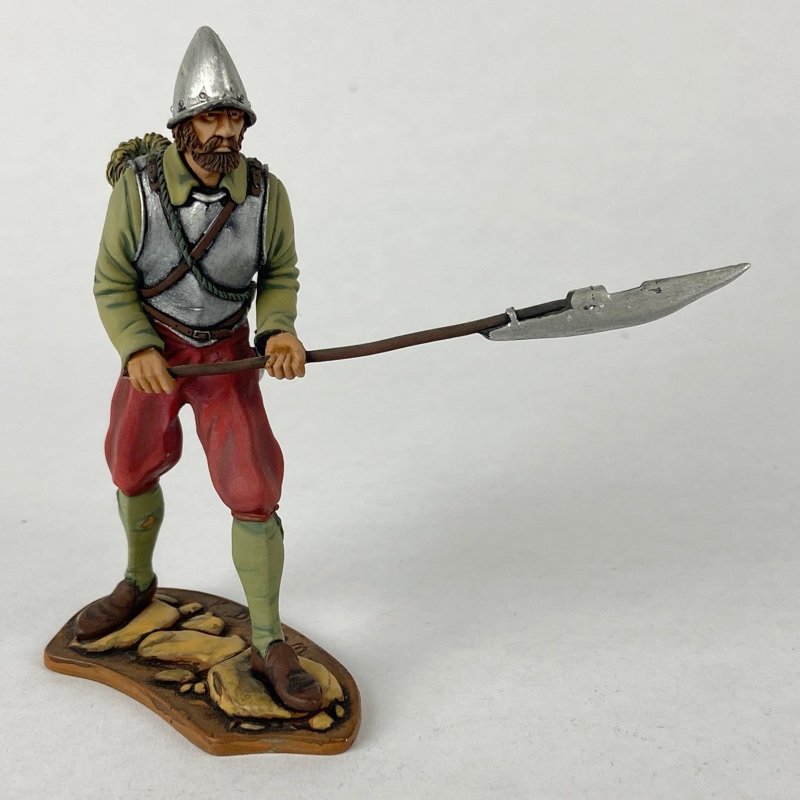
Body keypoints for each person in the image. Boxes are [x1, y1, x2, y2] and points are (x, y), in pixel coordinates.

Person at [77, 26, 323, 713]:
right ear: (184, 124)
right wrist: (137, 348)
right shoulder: (138, 190)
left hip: (226, 356)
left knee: (253, 488)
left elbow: (279, 273)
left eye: (234, 119)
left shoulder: (267, 194)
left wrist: (278, 330)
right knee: (130, 464)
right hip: (155, 357)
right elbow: (111, 281)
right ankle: (137, 581)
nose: (225, 132)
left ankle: (268, 638)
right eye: (212, 119)